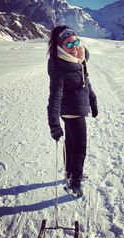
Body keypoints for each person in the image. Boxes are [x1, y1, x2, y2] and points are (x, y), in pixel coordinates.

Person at [47, 25, 98, 197]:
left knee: (71, 143)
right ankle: (75, 182)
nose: (74, 46)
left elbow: (86, 82)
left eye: (75, 41)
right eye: (68, 44)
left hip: (75, 108)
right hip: (72, 110)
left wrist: (93, 100)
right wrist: (54, 124)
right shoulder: (60, 68)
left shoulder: (79, 60)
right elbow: (54, 97)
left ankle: (70, 173)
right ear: (60, 47)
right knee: (80, 147)